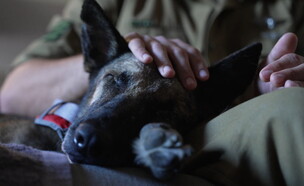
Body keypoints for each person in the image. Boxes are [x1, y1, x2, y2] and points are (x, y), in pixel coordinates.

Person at [0, 0, 304, 185]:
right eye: (117, 81)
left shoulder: (295, 8)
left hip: (231, 139)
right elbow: (12, 94)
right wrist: (123, 54)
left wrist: (269, 96)